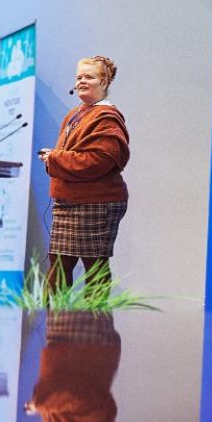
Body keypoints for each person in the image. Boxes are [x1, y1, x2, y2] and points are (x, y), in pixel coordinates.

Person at [38, 56, 130, 291]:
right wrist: (53, 157)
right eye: (79, 77)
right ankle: (56, 325)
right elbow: (74, 154)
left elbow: (98, 161)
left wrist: (55, 158)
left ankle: (96, 325)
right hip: (69, 201)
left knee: (95, 265)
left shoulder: (107, 117)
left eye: (89, 77)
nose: (81, 81)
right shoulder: (76, 114)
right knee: (58, 264)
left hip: (96, 203)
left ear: (105, 81)